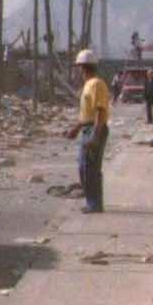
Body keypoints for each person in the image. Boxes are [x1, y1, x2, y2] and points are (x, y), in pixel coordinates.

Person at [64, 49, 111, 212]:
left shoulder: (96, 84)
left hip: (94, 129)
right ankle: (92, 201)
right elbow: (87, 113)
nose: (78, 71)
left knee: (90, 168)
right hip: (87, 128)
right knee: (84, 167)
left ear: (83, 67)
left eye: (79, 67)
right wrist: (76, 129)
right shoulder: (88, 85)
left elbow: (99, 111)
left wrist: (95, 136)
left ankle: (95, 204)